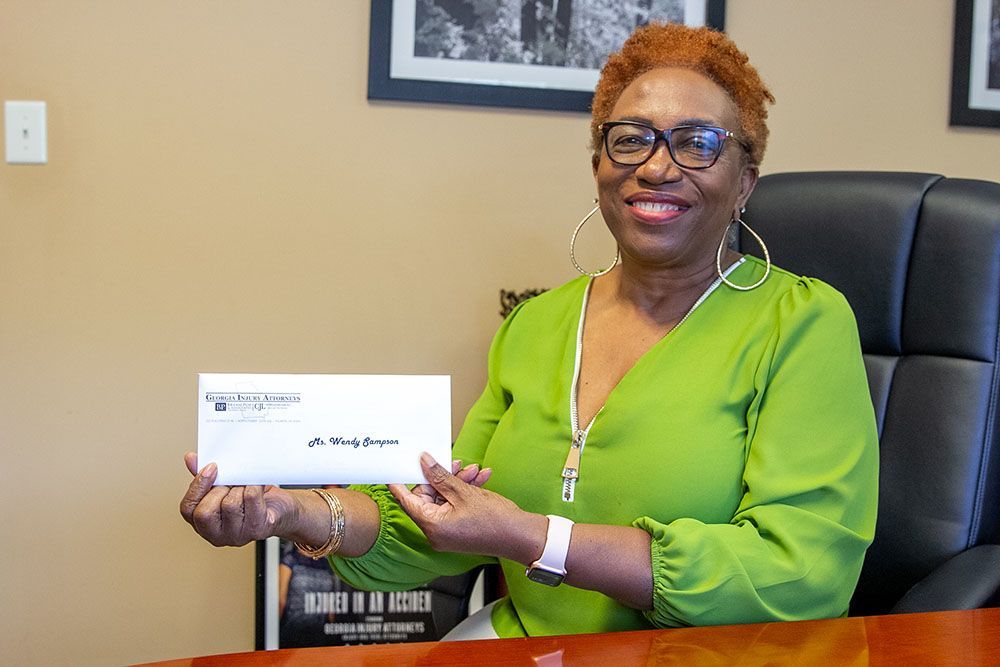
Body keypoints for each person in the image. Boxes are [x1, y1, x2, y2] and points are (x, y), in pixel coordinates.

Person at [180, 23, 878, 639]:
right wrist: (292, 512)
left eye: (698, 143)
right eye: (629, 138)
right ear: (599, 164)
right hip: (531, 647)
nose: (657, 165)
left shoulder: (803, 323)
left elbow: (800, 572)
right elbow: (441, 523)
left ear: (746, 178)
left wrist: (534, 537)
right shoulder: (536, 324)